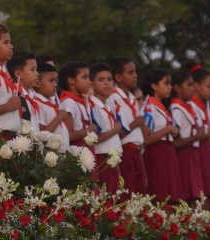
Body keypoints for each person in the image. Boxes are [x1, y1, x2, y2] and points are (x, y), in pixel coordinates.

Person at [141, 67, 182, 202]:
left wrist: (173, 131)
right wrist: (168, 129)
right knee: (161, 195)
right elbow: (146, 138)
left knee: (172, 197)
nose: (170, 87)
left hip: (169, 152)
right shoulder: (149, 106)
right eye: (166, 83)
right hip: (157, 153)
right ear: (154, 86)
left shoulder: (163, 106)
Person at [187, 62, 210, 209]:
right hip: (198, 151)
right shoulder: (190, 105)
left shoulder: (206, 105)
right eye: (209, 87)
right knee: (199, 193)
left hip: (208, 150)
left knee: (209, 194)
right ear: (196, 86)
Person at [107, 57, 147, 194]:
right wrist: (135, 124)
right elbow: (116, 131)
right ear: (118, 77)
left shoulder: (131, 97)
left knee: (140, 191)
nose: (135, 76)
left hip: (137, 150)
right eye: (130, 73)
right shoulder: (113, 98)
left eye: (135, 72)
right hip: (124, 150)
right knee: (128, 191)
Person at [170, 69, 205, 203]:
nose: (193, 88)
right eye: (189, 85)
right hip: (184, 156)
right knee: (188, 197)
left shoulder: (188, 106)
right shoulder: (176, 109)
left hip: (193, 154)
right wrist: (196, 137)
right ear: (178, 88)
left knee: (197, 196)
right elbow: (176, 142)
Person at [89, 63, 123, 193]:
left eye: (109, 80)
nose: (107, 83)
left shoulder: (109, 104)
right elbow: (94, 138)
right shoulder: (92, 105)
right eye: (101, 80)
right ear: (92, 83)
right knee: (106, 197)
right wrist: (115, 130)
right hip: (101, 156)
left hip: (113, 156)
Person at [33, 61, 70, 152]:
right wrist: (59, 118)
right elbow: (42, 135)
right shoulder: (38, 104)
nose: (55, 84)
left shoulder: (49, 102)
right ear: (37, 83)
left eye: (56, 81)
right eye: (51, 81)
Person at [58, 62, 96, 148]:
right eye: (84, 77)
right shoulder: (69, 102)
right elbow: (68, 136)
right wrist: (88, 130)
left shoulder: (80, 101)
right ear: (71, 80)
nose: (89, 82)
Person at [6, 52, 41, 132]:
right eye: (32, 70)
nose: (37, 74)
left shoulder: (32, 95)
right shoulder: (13, 96)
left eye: (36, 69)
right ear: (18, 74)